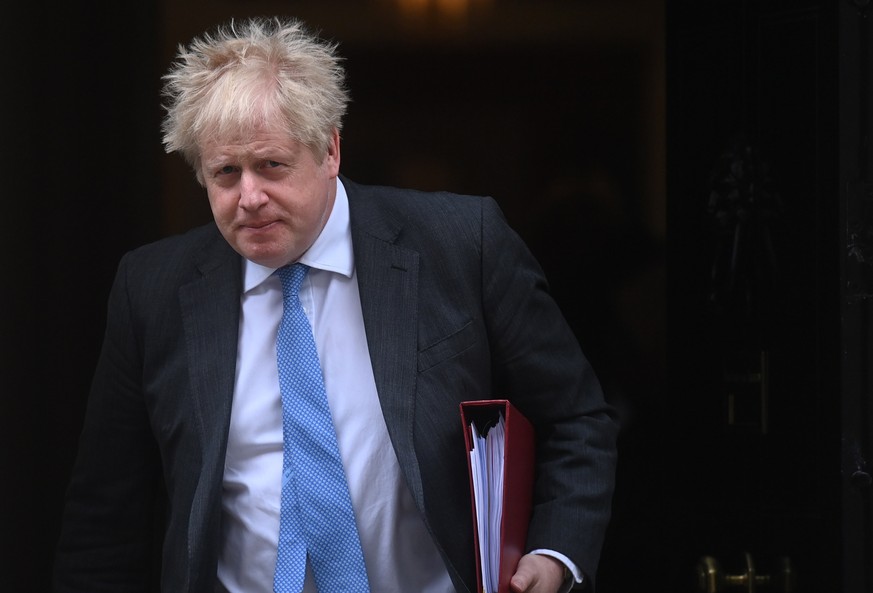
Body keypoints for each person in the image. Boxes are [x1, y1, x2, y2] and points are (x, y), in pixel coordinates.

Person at [53, 16, 618, 593]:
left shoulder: (461, 243)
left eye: (271, 165)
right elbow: (106, 513)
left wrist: (555, 554)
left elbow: (576, 419)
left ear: (330, 149)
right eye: (226, 172)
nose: (249, 197)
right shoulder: (153, 289)